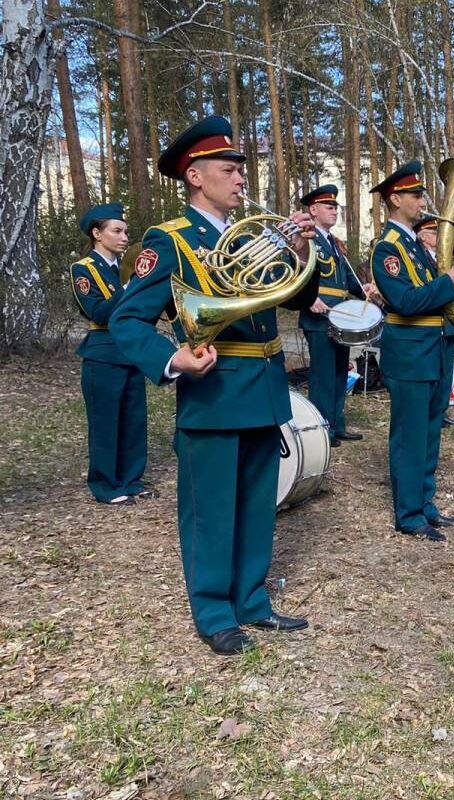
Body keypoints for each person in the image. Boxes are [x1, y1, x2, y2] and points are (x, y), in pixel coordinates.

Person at [109, 115, 318, 654]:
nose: (241, 179)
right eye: (230, 169)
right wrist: (172, 356)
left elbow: (292, 297)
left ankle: (252, 601)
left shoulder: (258, 237)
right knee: (210, 510)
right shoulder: (171, 241)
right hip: (214, 388)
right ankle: (213, 611)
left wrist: (298, 254)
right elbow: (127, 320)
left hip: (264, 386)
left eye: (240, 170)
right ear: (196, 177)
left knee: (256, 503)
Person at [369, 162, 454, 542]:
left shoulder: (415, 246)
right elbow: (406, 301)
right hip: (410, 351)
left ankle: (426, 504)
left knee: (430, 433)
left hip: (433, 349)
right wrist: (448, 281)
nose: (422, 201)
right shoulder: (387, 249)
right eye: (415, 195)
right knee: (410, 436)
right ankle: (409, 513)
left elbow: (439, 290)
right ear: (394, 199)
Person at [70, 203, 152, 506]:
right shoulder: (83, 269)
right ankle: (105, 486)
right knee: (105, 422)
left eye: (125, 231)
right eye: (116, 230)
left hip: (131, 351)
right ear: (97, 233)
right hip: (103, 354)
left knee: (134, 419)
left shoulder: (124, 267)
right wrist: (130, 285)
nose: (124, 237)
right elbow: (98, 312)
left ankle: (131, 480)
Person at [297, 184, 376, 446]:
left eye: (336, 208)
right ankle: (322, 430)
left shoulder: (333, 242)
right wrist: (310, 299)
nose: (335, 211)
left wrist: (361, 287)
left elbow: (345, 279)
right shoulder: (305, 239)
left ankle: (337, 424)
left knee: (340, 372)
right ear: (313, 209)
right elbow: (296, 274)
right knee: (322, 376)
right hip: (319, 316)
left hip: (340, 315)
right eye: (329, 207)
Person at [413, 214, 454, 429]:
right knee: (432, 376)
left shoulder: (447, 258)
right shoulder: (420, 258)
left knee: (446, 374)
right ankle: (430, 412)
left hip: (447, 324)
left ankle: (440, 411)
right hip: (430, 323)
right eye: (435, 232)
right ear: (422, 236)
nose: (441, 236)